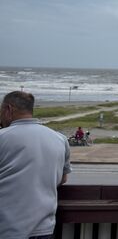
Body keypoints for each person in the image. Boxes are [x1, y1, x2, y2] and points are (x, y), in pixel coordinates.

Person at [0, 91, 71, 239]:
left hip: (7, 228)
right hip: (45, 228)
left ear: (8, 110)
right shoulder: (60, 139)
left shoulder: (3, 137)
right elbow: (62, 179)